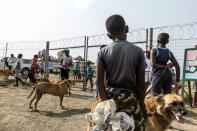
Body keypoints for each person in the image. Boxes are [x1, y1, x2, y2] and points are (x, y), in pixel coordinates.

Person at [96, 14, 147, 130]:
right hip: (130, 99)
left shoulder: (102, 52)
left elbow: (99, 83)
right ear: (127, 28)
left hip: (109, 97)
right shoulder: (138, 51)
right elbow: (141, 84)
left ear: (109, 35)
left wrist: (106, 104)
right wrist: (141, 104)